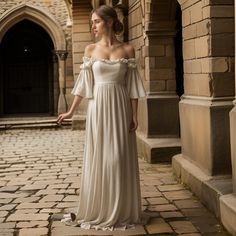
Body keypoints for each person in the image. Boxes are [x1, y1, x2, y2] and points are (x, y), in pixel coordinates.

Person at [57, 4, 146, 231]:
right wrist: (71, 111)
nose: (93, 26)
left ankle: (121, 208)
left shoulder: (128, 50)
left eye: (96, 21)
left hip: (120, 108)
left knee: (118, 157)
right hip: (98, 110)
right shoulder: (89, 50)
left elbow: (133, 86)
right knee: (101, 157)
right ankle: (101, 208)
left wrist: (135, 115)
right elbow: (83, 86)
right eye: (92, 22)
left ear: (108, 22)